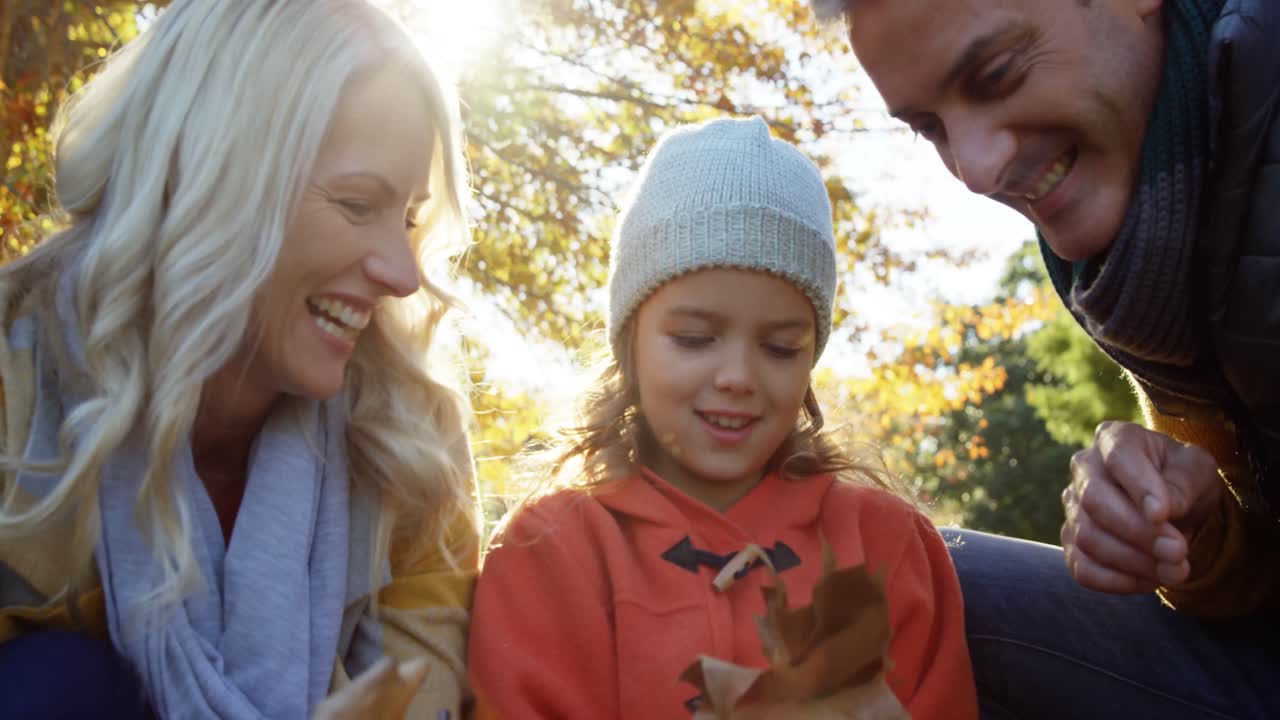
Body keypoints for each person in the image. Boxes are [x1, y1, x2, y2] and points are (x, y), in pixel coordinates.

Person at [0, 1, 480, 718]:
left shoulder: (410, 436)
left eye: (408, 218)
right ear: (208, 173)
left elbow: (425, 695)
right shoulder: (18, 378)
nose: (402, 274)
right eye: (356, 204)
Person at [811, 0, 1280, 716]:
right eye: (930, 128)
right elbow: (1252, 582)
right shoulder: (1132, 268)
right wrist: (1198, 531)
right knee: (899, 579)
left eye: (995, 73)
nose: (973, 169)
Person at [466, 116, 977, 719]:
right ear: (630, 343)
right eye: (693, 338)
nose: (737, 375)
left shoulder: (886, 544)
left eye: (781, 348)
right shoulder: (549, 551)